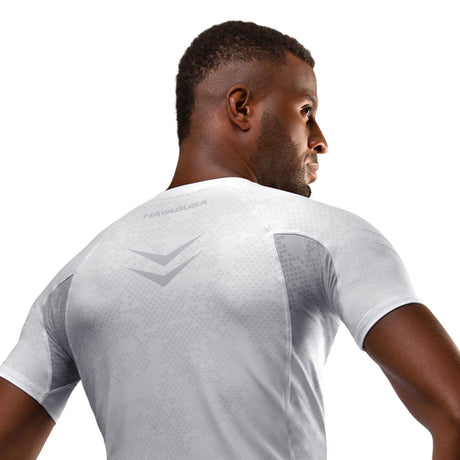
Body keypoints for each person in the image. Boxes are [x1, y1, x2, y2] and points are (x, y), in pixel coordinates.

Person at [0, 20, 459, 460]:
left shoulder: (76, 278)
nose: (320, 140)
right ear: (241, 108)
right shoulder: (319, 236)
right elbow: (455, 412)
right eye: (306, 111)